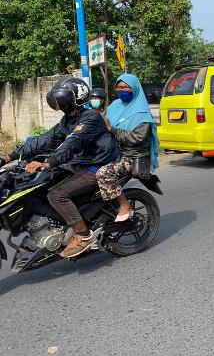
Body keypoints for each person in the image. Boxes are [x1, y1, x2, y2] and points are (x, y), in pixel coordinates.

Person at [0, 77, 119, 258]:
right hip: (79, 164)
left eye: (61, 99)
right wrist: (10, 156)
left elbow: (72, 143)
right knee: (40, 186)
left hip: (98, 165)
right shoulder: (66, 121)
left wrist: (49, 162)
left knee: (57, 194)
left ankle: (83, 235)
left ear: (76, 98)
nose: (58, 103)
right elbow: (43, 141)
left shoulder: (91, 117)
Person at [96, 74, 159, 222]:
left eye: (126, 87)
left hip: (131, 156)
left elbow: (137, 138)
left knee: (104, 173)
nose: (122, 90)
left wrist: (113, 130)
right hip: (112, 152)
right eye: (119, 87)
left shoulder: (141, 113)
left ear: (135, 89)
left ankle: (124, 205)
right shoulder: (114, 106)